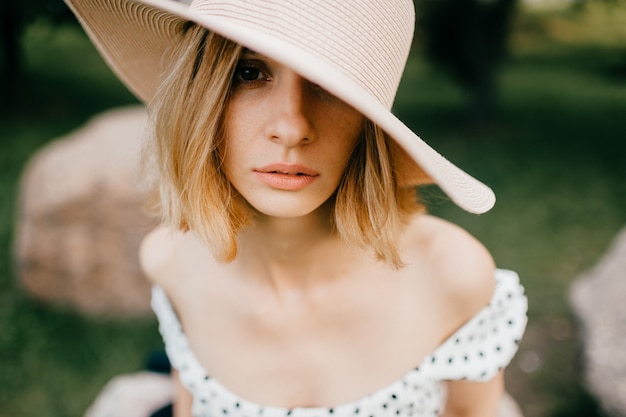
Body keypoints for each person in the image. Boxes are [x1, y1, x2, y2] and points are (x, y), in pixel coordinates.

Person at [64, 1, 528, 416]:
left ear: (370, 123)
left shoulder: (451, 275)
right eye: (249, 72)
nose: (291, 127)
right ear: (200, 97)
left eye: (329, 83)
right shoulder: (170, 261)